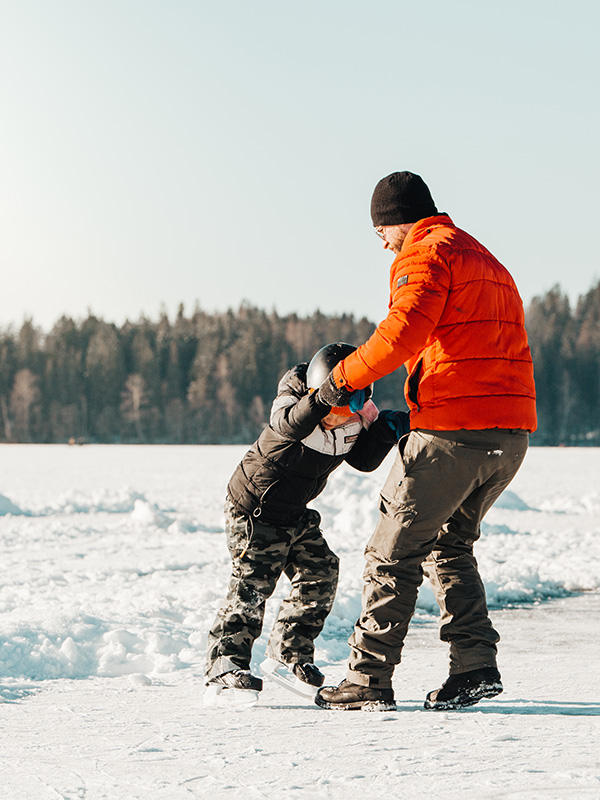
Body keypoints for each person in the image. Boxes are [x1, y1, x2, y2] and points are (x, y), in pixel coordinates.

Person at [314, 171, 537, 712]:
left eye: (380, 235)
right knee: (451, 546)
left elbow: (402, 332)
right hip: (508, 435)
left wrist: (339, 381)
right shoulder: (483, 257)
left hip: (452, 432)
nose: (383, 246)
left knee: (393, 552)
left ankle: (368, 678)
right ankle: (475, 667)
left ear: (393, 222)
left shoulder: (423, 253)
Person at [204, 342, 409, 706]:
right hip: (255, 506)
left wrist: (386, 431)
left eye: (354, 408)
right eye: (338, 407)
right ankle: (225, 663)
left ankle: (289, 654)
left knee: (322, 570)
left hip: (295, 510)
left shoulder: (359, 412)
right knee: (254, 581)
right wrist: (322, 399)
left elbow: (361, 459)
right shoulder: (294, 399)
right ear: (321, 391)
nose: (345, 416)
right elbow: (290, 423)